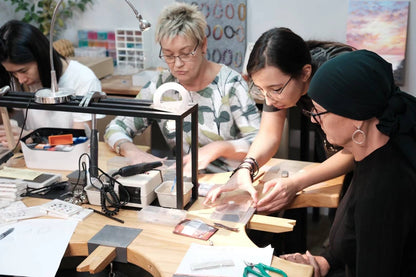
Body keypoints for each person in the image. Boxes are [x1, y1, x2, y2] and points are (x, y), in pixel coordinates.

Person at [280, 50, 416, 276]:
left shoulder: (383, 190)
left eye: (319, 112)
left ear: (356, 117)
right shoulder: (370, 157)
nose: (314, 119)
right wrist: (324, 263)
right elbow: (355, 245)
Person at [204, 27, 355, 212]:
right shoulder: (281, 80)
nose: (268, 100)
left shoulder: (334, 76)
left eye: (275, 89)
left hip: (378, 154)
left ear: (305, 73)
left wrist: (296, 182)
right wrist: (245, 169)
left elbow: (355, 149)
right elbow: (269, 134)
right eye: (261, 89)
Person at [104, 2, 260, 174]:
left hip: (229, 180)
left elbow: (259, 142)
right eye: (169, 55)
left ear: (203, 45)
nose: (177, 64)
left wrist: (219, 147)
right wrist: (133, 153)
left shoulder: (230, 84)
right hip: (183, 182)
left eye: (186, 53)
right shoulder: (161, 86)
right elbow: (115, 127)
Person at [0, 20, 102, 146]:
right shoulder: (17, 79)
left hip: (72, 158)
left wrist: (30, 137)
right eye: (13, 73)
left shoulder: (83, 79)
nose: (21, 80)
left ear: (41, 57)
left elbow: (77, 139)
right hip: (32, 156)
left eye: (24, 71)